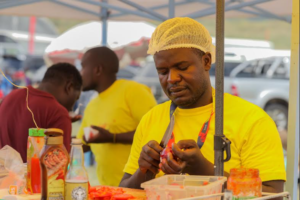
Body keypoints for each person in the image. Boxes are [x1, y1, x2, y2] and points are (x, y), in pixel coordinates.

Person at [120, 17, 286, 195]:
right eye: (163, 71)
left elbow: (272, 195)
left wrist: (205, 170)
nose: (171, 78)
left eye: (182, 67)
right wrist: (145, 171)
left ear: (206, 61)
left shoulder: (252, 120)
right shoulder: (151, 119)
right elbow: (123, 191)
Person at [77, 46, 156, 186]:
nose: (80, 74)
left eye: (83, 68)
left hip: (138, 189)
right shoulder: (92, 104)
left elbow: (155, 132)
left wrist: (112, 137)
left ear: (98, 70)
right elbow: (84, 144)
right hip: (107, 190)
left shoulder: (133, 91)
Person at [0, 63, 82, 162]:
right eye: (76, 97)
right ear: (69, 87)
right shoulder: (58, 113)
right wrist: (62, 120)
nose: (72, 107)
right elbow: (58, 169)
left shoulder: (10, 97)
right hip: (32, 177)